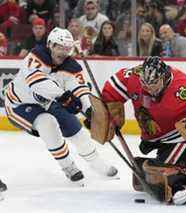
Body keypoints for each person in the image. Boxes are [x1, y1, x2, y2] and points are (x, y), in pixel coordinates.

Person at [98, 56, 186, 205]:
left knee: (157, 171)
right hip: (154, 138)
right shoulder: (133, 77)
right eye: (144, 84)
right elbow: (114, 86)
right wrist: (106, 111)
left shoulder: (182, 88)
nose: (149, 89)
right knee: (149, 172)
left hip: (180, 136)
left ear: (165, 77)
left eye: (154, 84)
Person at [4, 27, 118, 185]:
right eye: (59, 47)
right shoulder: (36, 56)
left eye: (67, 49)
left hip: (49, 101)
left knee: (75, 128)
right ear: (50, 45)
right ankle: (68, 166)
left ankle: (97, 163)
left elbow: (79, 89)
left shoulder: (70, 66)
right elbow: (37, 84)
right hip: (19, 104)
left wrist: (89, 110)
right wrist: (64, 96)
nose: (63, 52)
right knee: (47, 123)